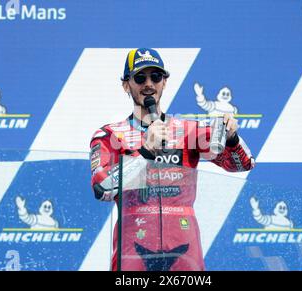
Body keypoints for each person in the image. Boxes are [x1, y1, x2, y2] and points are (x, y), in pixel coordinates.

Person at [90, 48, 255, 271]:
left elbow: (242, 165)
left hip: (185, 250)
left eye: (155, 77)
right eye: (140, 77)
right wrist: (145, 152)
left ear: (164, 83)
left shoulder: (189, 131)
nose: (148, 83)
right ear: (126, 85)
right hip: (133, 249)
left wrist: (233, 138)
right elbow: (102, 189)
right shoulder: (110, 135)